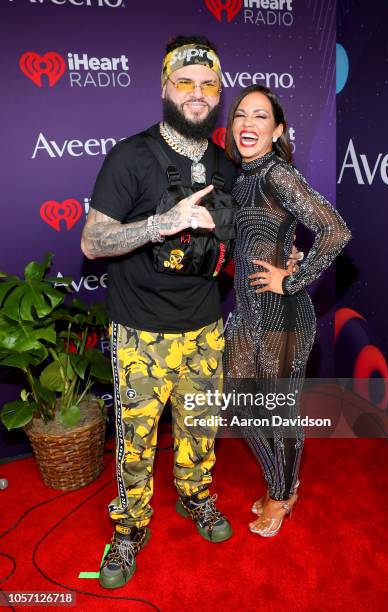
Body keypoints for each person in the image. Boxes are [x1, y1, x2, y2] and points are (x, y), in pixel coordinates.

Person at [80, 35, 238, 590]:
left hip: (205, 327)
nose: (196, 94)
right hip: (141, 330)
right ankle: (129, 528)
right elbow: (92, 244)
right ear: (165, 87)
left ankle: (196, 498)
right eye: (185, 82)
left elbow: (233, 241)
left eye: (207, 84)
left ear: (218, 92)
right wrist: (158, 224)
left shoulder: (226, 163)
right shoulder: (131, 155)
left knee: (201, 430)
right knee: (135, 442)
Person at [223, 84, 352, 537]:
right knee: (239, 404)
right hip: (248, 313)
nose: (248, 123)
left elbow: (335, 231)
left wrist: (292, 278)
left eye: (260, 116)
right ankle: (281, 483)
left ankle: (282, 495)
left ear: (277, 130)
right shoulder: (240, 177)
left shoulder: (278, 174)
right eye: (241, 114)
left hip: (283, 315)